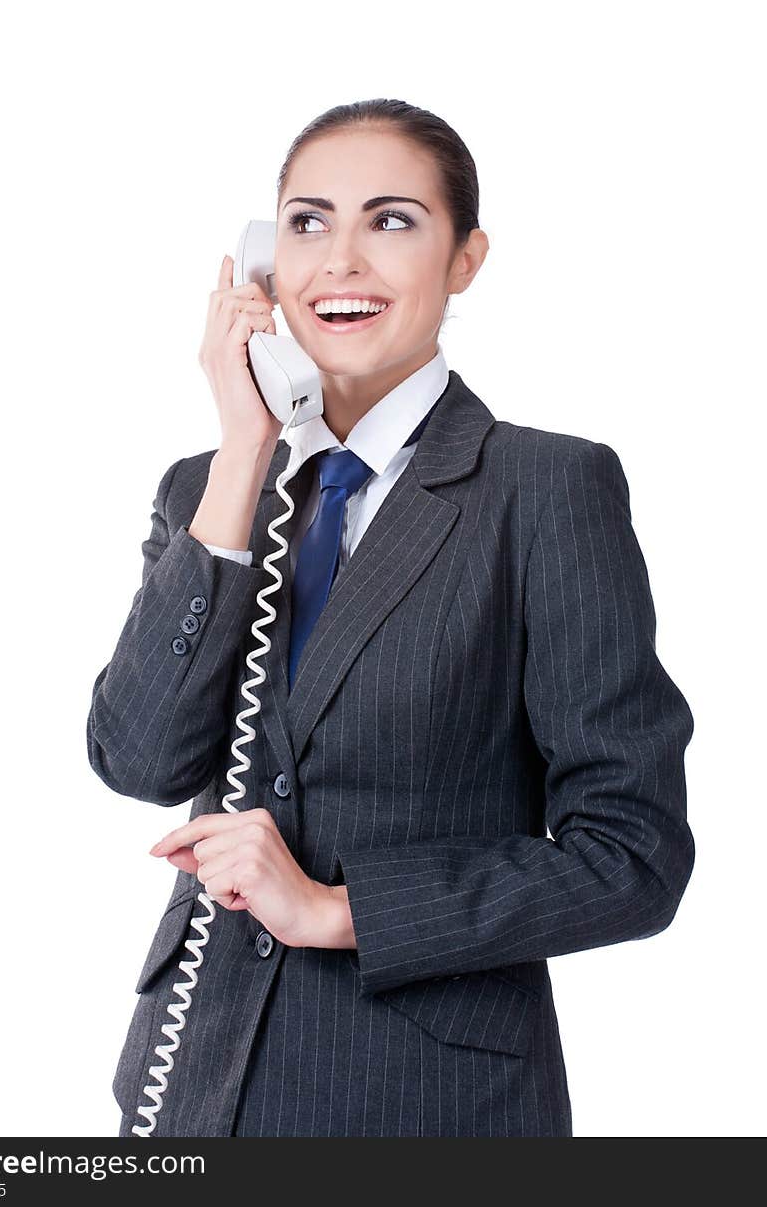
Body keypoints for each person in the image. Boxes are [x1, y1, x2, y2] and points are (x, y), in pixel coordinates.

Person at [87, 97, 695, 1138]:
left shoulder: (543, 488)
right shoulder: (210, 485)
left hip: (426, 1103)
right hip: (198, 1086)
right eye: (308, 222)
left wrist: (335, 909)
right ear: (261, 261)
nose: (341, 261)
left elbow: (631, 856)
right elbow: (140, 759)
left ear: (466, 259)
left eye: (393, 220)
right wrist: (243, 449)